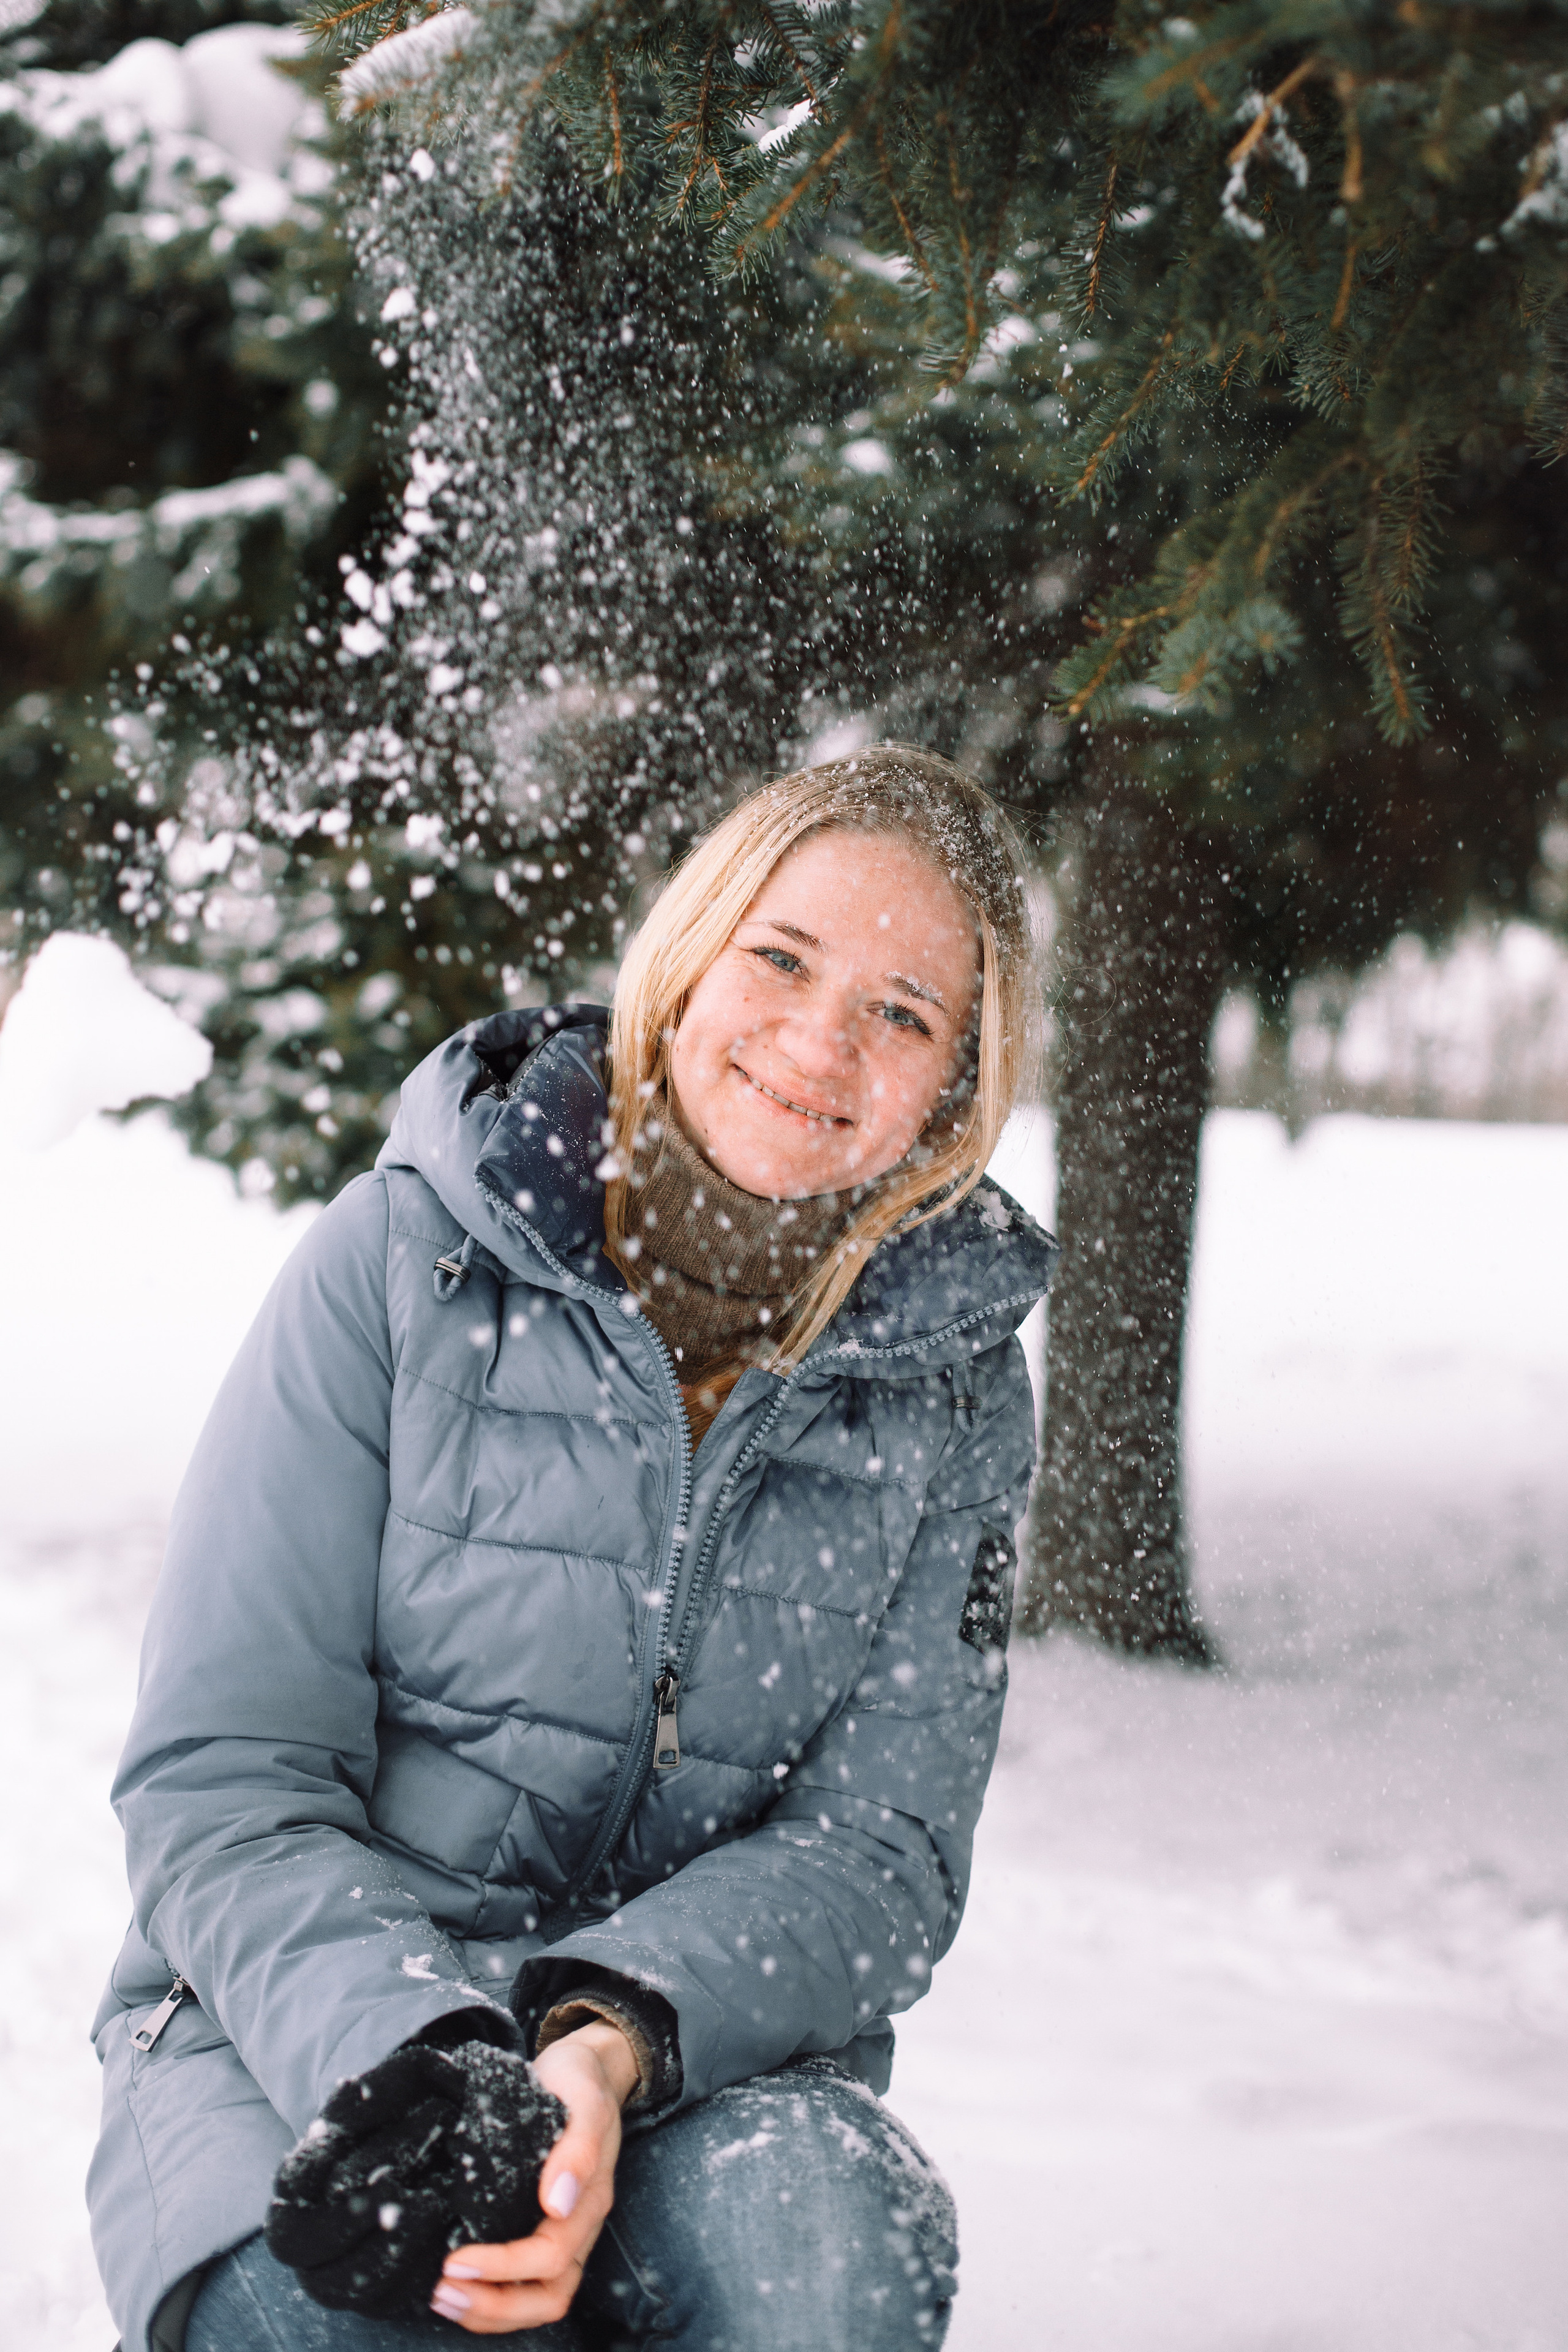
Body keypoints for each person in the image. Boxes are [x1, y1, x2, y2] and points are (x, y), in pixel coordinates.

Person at [87, 744, 1057, 2352]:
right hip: (315, 2033)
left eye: (904, 1012)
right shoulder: (404, 1261)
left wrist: (601, 2041)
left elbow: (884, 1851)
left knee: (834, 2274)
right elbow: (224, 1780)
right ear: (686, 961)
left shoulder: (951, 1384)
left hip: (694, 2068)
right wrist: (439, 2062)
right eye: (784, 958)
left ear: (956, 1085)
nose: (823, 1039)